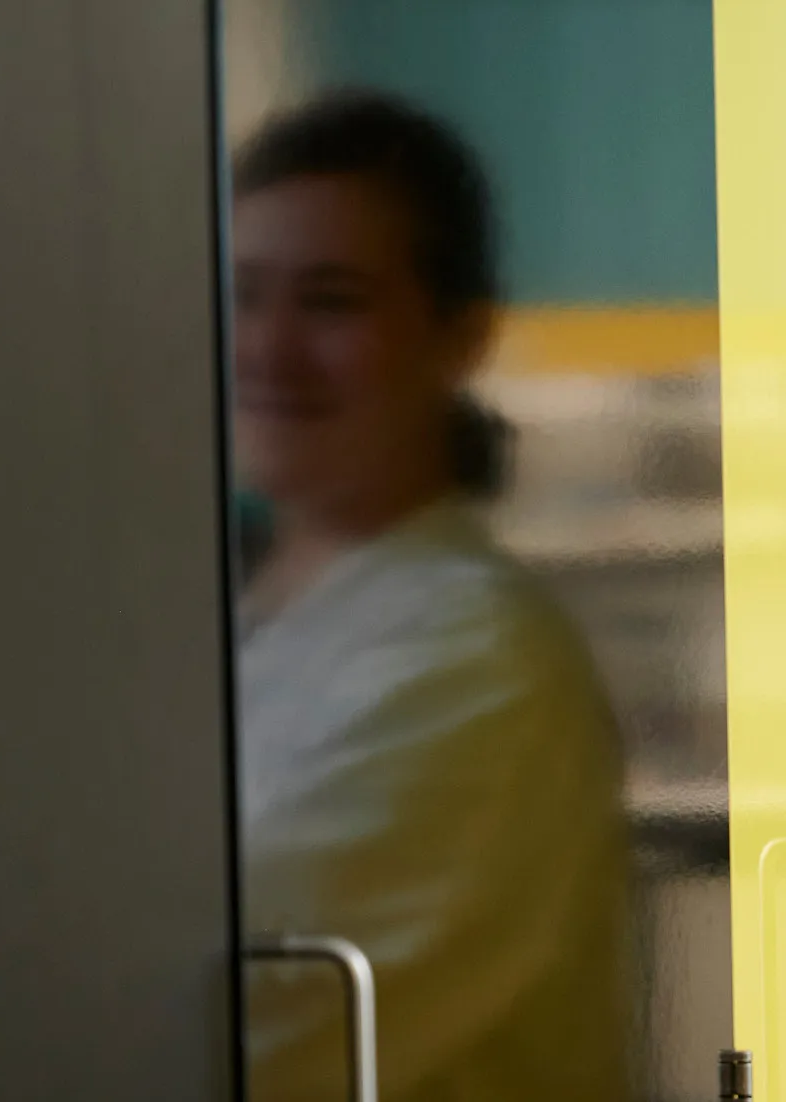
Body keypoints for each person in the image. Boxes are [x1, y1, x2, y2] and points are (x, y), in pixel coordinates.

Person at [230, 89, 628, 1101]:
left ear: (461, 338)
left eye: (331, 301)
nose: (267, 350)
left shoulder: (478, 661)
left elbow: (236, 1017)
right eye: (242, 294)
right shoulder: (246, 620)